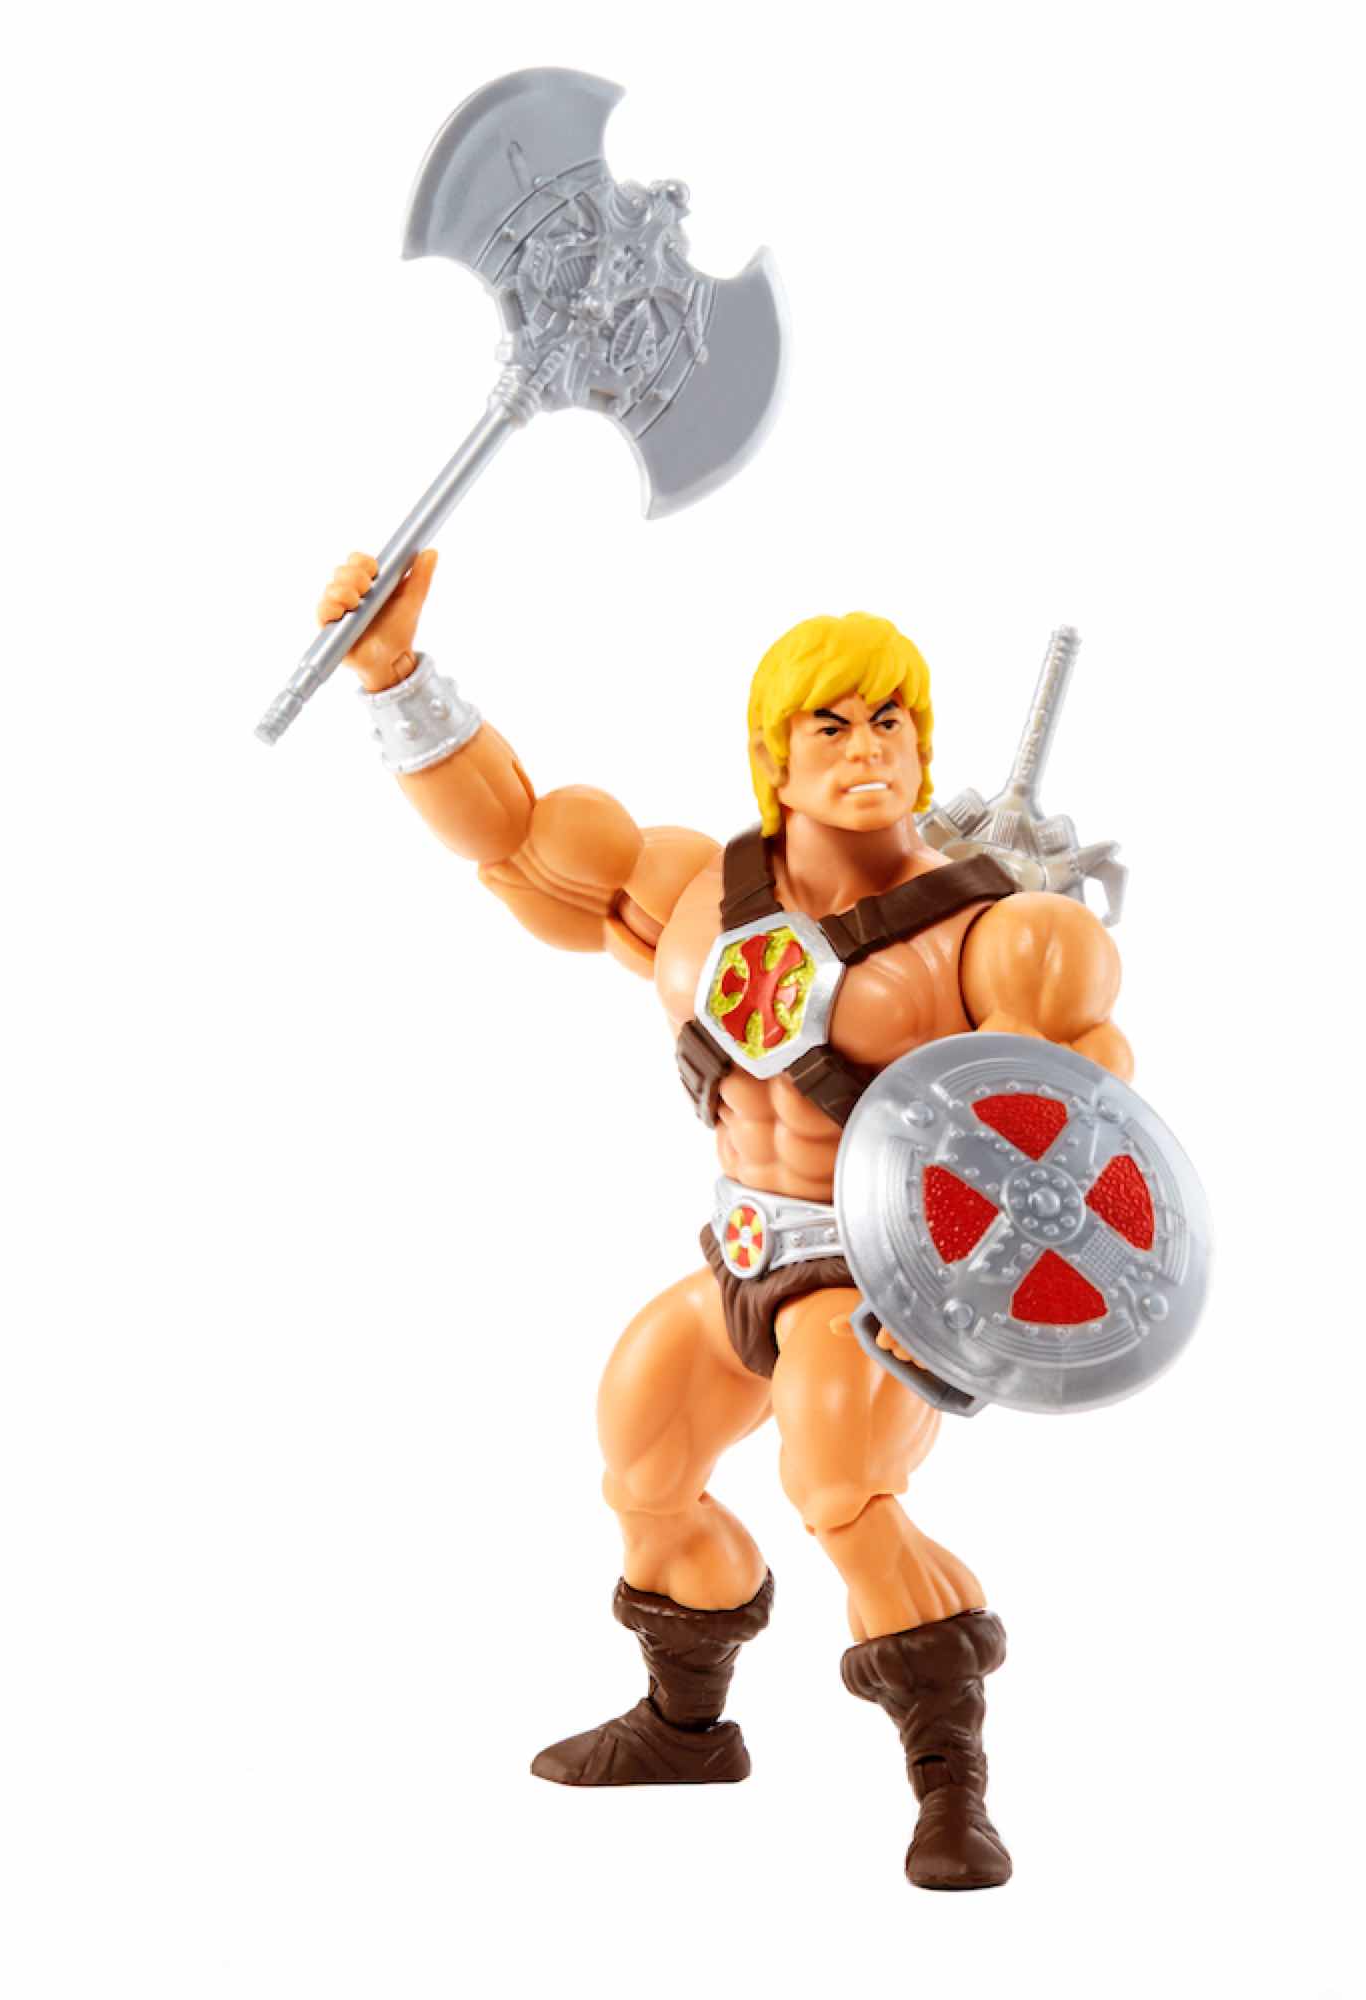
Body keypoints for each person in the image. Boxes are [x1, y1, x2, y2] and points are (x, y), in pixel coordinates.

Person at [317, 547, 1133, 1889]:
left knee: (839, 1491)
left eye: (892, 721)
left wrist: (981, 1272)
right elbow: (516, 840)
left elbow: (1086, 1129)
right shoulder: (698, 892)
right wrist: (394, 674)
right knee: (643, 1469)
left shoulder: (993, 938)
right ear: (775, 754)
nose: (868, 751)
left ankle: (949, 1784)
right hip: (743, 1260)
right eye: (833, 725)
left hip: (874, 1283)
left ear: (925, 746)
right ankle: (684, 1729)